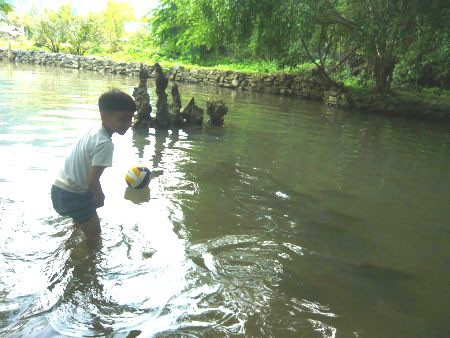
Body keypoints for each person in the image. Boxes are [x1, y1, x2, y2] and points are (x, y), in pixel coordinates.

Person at [51, 89, 136, 244]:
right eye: (123, 119)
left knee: (80, 222)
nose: (129, 124)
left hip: (58, 190)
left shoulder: (93, 131)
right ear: (104, 116)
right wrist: (100, 196)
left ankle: (70, 244)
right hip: (73, 195)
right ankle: (86, 265)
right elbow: (92, 182)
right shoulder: (105, 143)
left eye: (131, 119)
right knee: (95, 237)